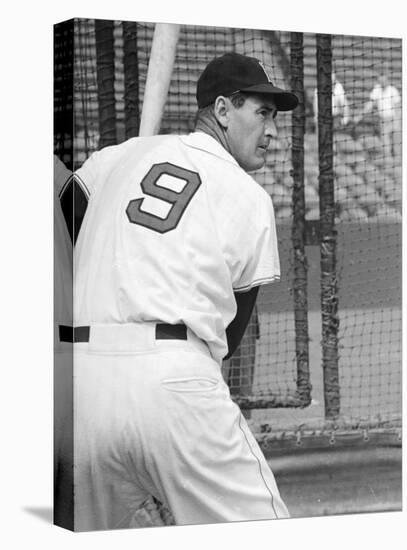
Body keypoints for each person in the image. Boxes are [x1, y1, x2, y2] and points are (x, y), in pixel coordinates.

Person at [68, 52, 298, 531]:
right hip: (174, 382)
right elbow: (229, 340)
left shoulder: (119, 156)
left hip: (79, 388)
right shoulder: (248, 195)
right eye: (263, 112)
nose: (274, 131)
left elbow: (62, 219)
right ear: (221, 109)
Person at [355, 68, 401, 157]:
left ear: (387, 80)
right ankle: (388, 161)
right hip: (383, 120)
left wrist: (397, 121)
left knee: (396, 144)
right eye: (380, 80)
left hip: (393, 119)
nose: (382, 82)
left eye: (383, 80)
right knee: (385, 144)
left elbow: (398, 107)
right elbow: (370, 104)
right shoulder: (377, 90)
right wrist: (359, 116)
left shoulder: (392, 90)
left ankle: (397, 161)